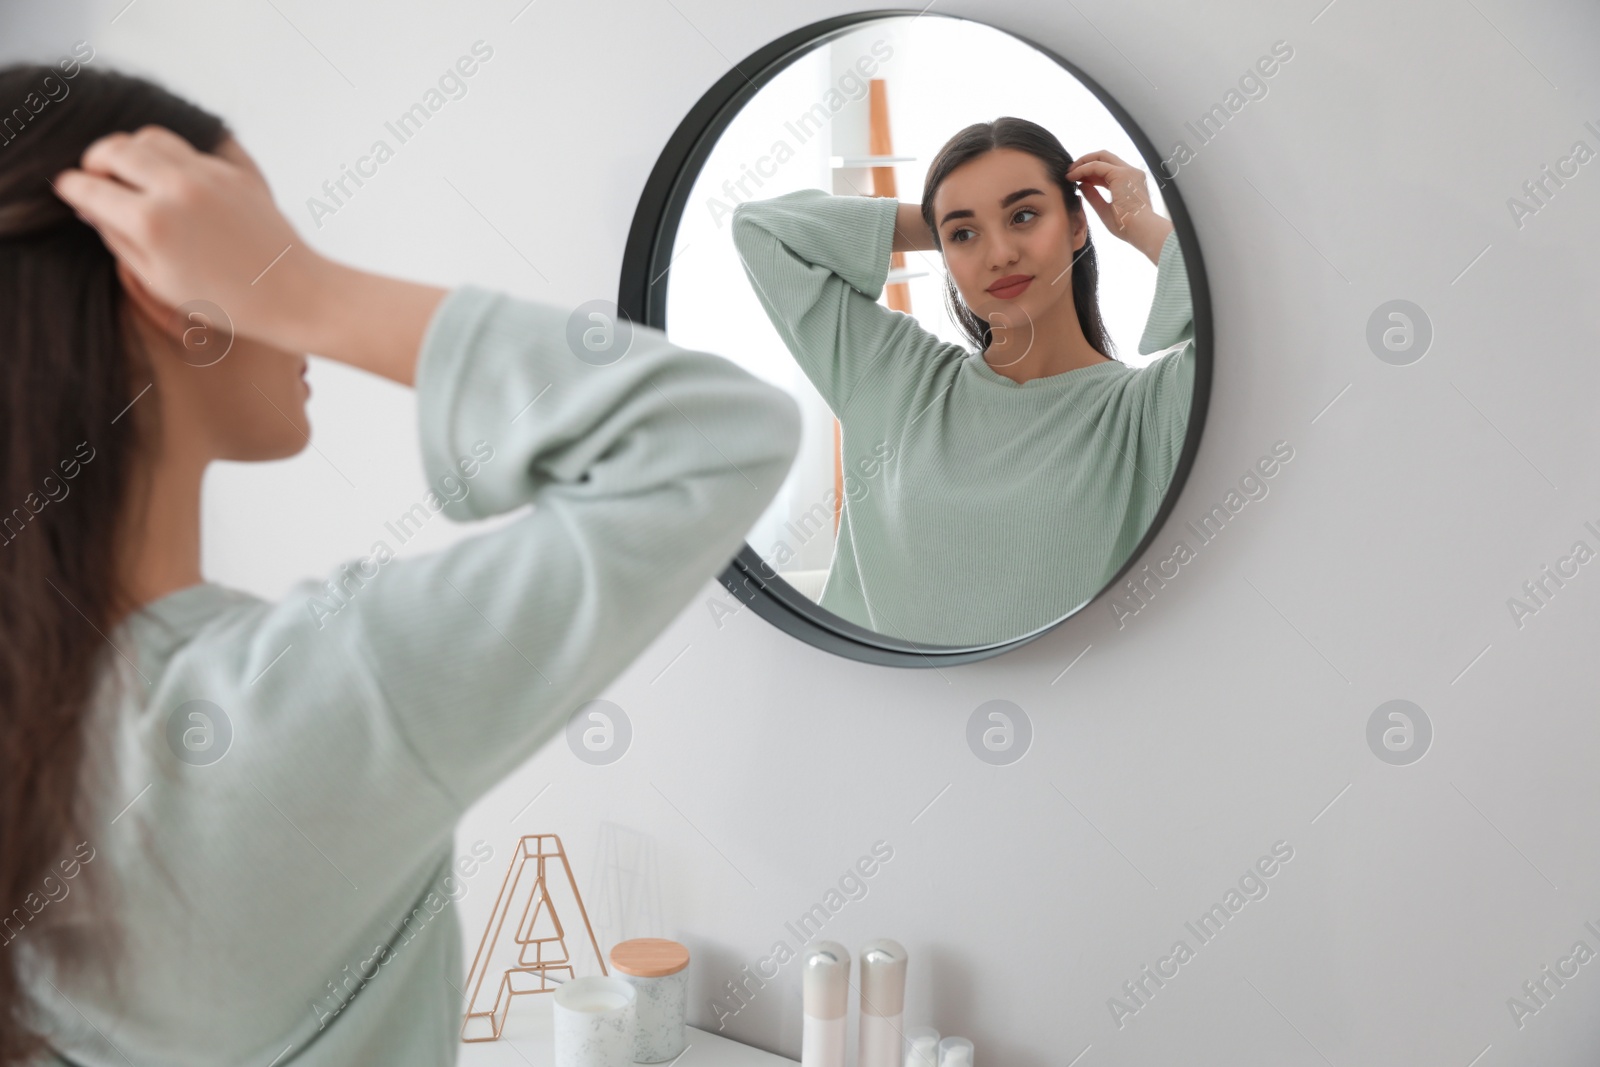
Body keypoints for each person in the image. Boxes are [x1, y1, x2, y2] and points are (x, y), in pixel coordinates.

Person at [0, 64, 800, 1066]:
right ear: (167, 292)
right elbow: (714, 435)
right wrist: (303, 290)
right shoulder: (279, 705)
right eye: (252, 234)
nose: (280, 260)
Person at [730, 117, 1196, 648]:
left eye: (1024, 215)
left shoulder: (1149, 412)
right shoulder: (895, 377)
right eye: (965, 234)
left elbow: (1249, 330)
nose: (999, 254)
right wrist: (944, 225)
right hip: (869, 715)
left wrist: (1141, 222)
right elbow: (761, 229)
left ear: (1076, 225)